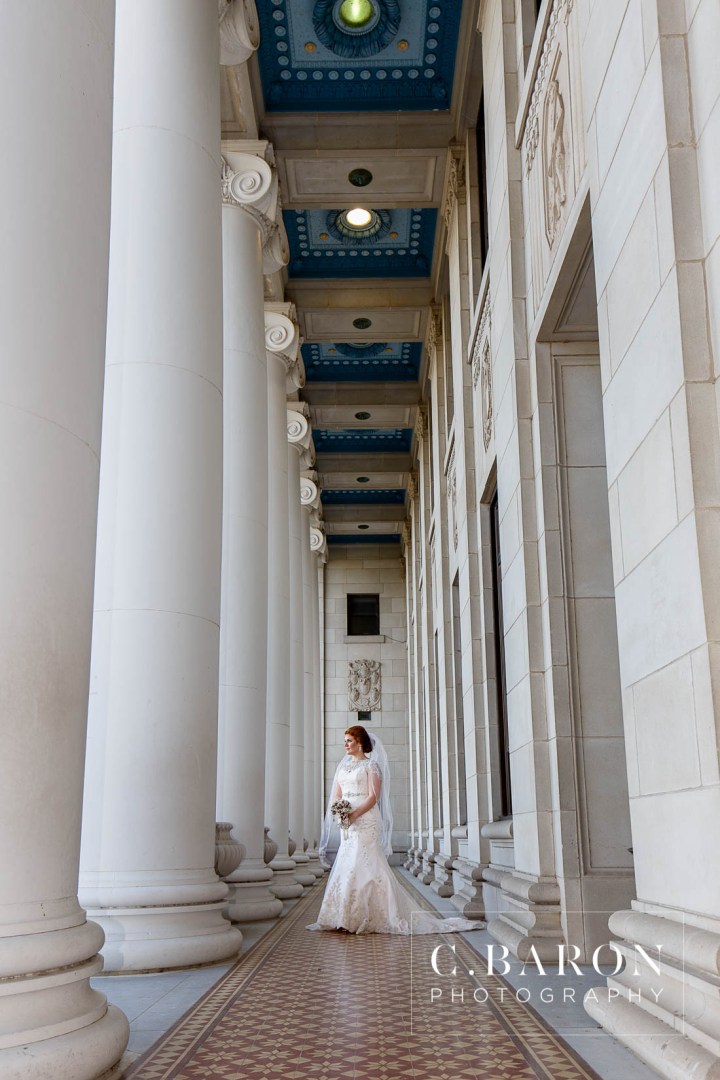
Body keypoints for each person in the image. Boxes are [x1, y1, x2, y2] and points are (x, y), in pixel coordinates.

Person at [307, 725, 484, 935]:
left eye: (349, 741)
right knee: (347, 862)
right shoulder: (342, 768)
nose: (345, 744)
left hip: (366, 821)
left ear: (360, 742)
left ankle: (372, 914)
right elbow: (336, 796)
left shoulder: (371, 766)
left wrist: (354, 814)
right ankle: (341, 916)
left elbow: (374, 797)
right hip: (348, 824)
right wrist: (340, 813)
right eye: (345, 740)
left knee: (365, 862)